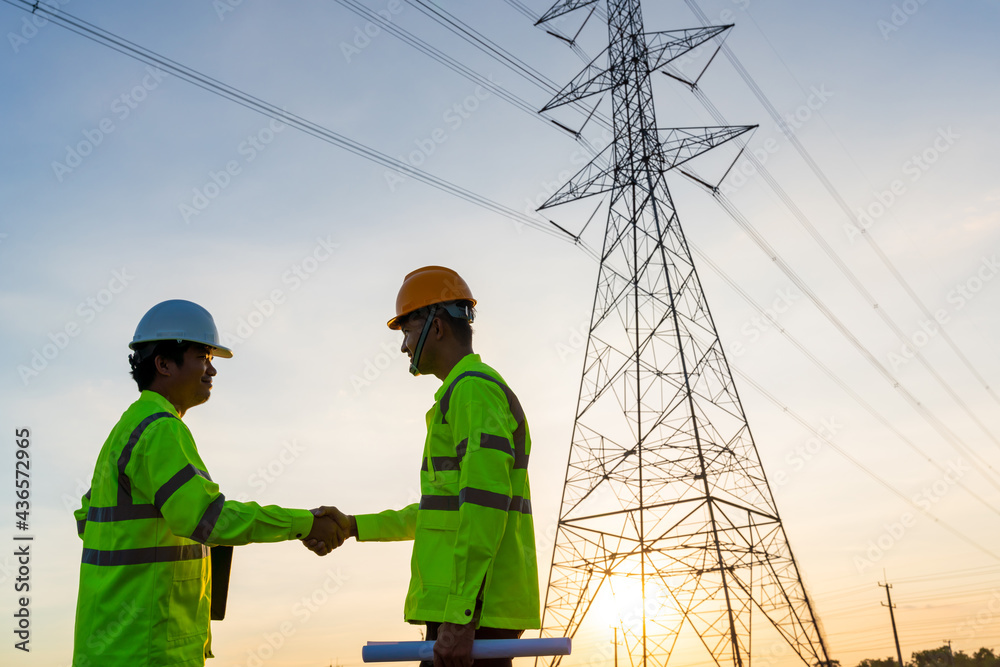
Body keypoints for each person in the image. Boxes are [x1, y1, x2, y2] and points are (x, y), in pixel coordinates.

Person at [73, 299, 348, 666]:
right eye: (203, 356)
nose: (212, 370)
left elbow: (87, 521)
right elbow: (210, 520)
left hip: (111, 646)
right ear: (164, 364)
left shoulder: (127, 431)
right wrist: (305, 522)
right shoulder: (161, 430)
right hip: (148, 649)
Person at [308, 266, 540, 667]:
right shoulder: (462, 395)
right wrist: (353, 526)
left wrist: (461, 613)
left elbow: (485, 505)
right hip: (468, 607)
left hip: (474, 611)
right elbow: (439, 513)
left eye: (407, 331)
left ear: (436, 328)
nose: (403, 347)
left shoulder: (473, 391)